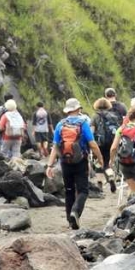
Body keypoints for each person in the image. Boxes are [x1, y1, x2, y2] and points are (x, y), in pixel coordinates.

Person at [46, 98, 105, 230]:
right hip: (80, 161)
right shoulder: (83, 123)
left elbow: (55, 147)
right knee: (83, 190)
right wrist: (100, 158)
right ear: (78, 109)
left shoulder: (60, 124)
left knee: (69, 191)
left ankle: (69, 221)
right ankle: (76, 212)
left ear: (67, 110)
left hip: (65, 162)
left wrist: (49, 165)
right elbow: (92, 143)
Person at [92, 97, 121, 193]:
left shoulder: (95, 117)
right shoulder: (113, 116)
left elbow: (91, 131)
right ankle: (111, 177)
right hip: (111, 143)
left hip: (99, 144)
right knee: (108, 163)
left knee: (99, 163)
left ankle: (100, 184)